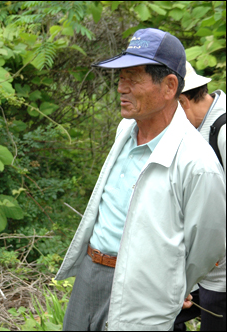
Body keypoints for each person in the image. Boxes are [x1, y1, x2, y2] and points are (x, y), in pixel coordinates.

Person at [54, 28, 226, 331]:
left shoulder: (197, 162)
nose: (122, 88)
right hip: (91, 272)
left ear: (170, 86)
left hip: (142, 286)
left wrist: (170, 283)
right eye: (120, 78)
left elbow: (207, 245)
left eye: (133, 78)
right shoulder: (125, 130)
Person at [173, 62, 226, 331]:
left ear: (182, 101)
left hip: (221, 274)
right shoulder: (200, 127)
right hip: (201, 268)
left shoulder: (223, 130)